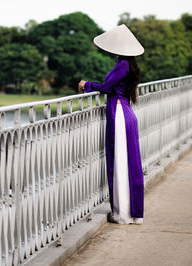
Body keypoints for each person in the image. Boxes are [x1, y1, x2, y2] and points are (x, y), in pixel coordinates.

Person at [78, 24, 145, 224]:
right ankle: (129, 212)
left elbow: (108, 87)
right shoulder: (126, 63)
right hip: (124, 113)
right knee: (127, 162)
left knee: (120, 162)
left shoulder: (123, 65)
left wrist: (86, 85)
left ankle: (122, 213)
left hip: (119, 116)